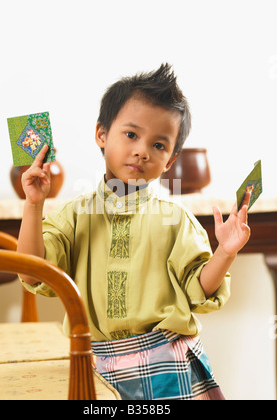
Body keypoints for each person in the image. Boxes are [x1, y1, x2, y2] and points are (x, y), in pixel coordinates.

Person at [17, 63, 251, 400]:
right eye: (131, 135)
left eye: (159, 145)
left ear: (170, 160)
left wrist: (225, 252)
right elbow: (32, 272)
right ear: (101, 134)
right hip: (95, 365)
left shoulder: (177, 219)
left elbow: (199, 290)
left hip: (169, 365)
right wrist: (33, 205)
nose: (142, 150)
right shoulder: (73, 216)